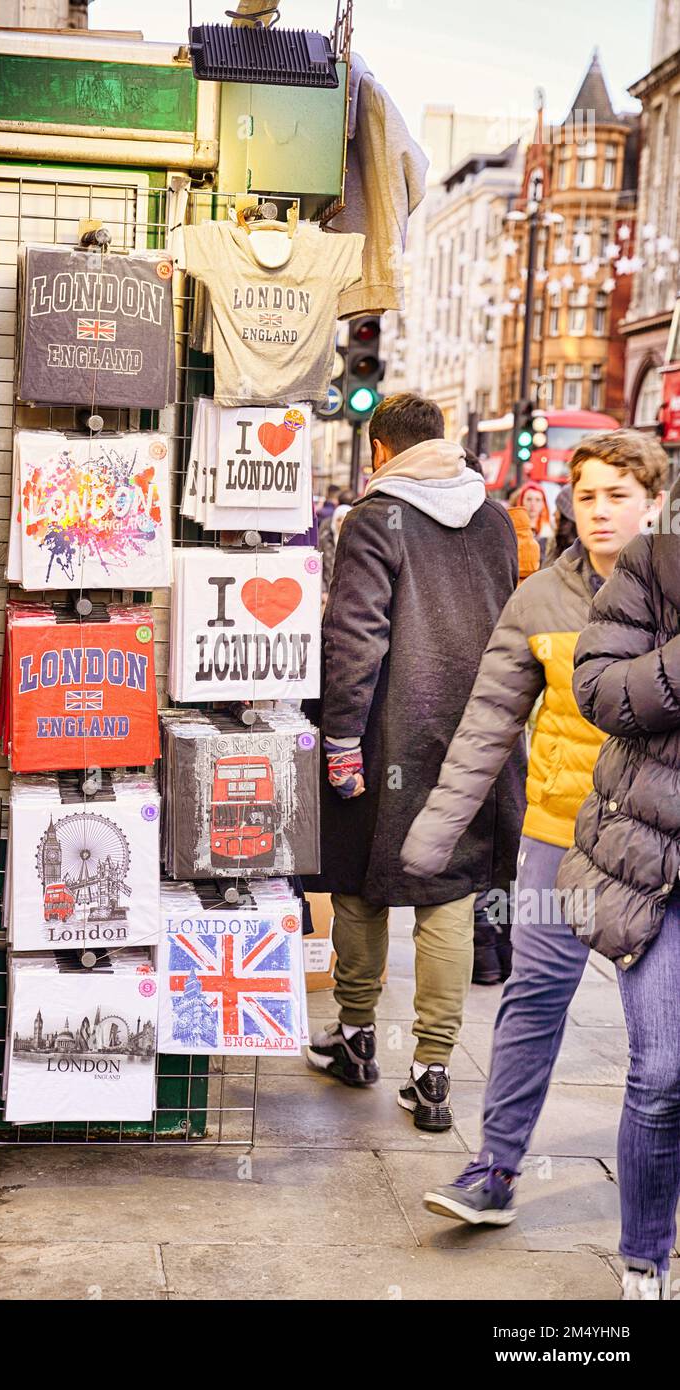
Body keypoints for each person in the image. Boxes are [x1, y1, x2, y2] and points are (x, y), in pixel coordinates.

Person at [400, 430, 666, 1223]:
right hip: (559, 837)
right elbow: (487, 723)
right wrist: (435, 830)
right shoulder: (540, 599)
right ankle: (494, 1171)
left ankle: (652, 1205)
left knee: (660, 1043)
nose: (599, 512)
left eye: (618, 496)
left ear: (653, 501)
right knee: (533, 996)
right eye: (586, 496)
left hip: (659, 849)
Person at [304, 392, 526, 1131]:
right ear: (445, 444)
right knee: (449, 892)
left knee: (360, 885)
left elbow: (354, 636)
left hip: (386, 732)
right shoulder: (495, 518)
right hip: (478, 733)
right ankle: (433, 1071)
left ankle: (357, 1037)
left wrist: (339, 738)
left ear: (379, 451)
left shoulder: (375, 517)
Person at [556, 461, 678, 1300]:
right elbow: (596, 688)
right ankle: (643, 1257)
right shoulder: (653, 564)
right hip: (654, 868)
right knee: (663, 1068)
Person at [318, 488, 355, 600]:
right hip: (328, 592)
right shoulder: (326, 538)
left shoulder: (356, 540)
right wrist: (323, 590)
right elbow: (321, 565)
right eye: (339, 519)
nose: (341, 523)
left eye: (345, 519)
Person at [510, 481, 551, 560]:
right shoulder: (512, 528)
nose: (533, 504)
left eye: (538, 500)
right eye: (529, 499)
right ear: (522, 501)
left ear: (543, 504)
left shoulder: (550, 531)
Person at [543, 483, 577, 566]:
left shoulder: (575, 552)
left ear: (566, 516)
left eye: (558, 509)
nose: (554, 514)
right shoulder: (555, 542)